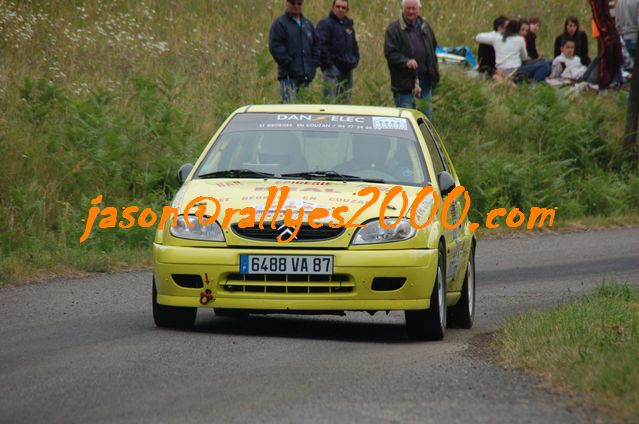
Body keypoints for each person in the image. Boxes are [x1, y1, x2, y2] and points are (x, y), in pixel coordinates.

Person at [384, 0, 440, 120]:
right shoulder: (394, 29)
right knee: (406, 121)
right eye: (408, 8)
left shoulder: (425, 27)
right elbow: (390, 53)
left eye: (413, 9)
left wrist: (434, 71)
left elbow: (433, 48)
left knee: (425, 122)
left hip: (425, 82)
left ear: (418, 9)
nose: (411, 11)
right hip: (404, 84)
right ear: (403, 9)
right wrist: (405, 61)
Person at [268, 0, 320, 103]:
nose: (296, 6)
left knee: (305, 109)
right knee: (290, 110)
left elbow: (316, 46)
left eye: (299, 3)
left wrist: (313, 64)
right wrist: (288, 63)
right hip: (289, 78)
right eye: (293, 2)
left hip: (306, 77)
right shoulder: (280, 24)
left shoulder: (307, 24)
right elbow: (275, 46)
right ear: (287, 3)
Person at [316, 0, 360, 103]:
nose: (340, 9)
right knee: (330, 102)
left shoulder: (349, 26)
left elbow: (354, 45)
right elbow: (321, 45)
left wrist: (355, 60)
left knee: (345, 103)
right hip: (332, 69)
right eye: (338, 6)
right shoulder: (325, 24)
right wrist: (329, 64)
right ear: (333, 7)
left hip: (347, 69)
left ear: (347, 10)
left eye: (343, 8)